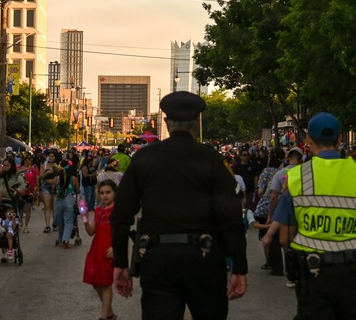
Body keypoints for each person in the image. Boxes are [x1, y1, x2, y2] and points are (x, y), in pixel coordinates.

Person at [111, 91, 246, 320]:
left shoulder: (144, 159)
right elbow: (231, 217)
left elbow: (121, 216)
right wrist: (239, 268)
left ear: (166, 122)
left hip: (158, 260)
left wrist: (121, 263)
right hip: (205, 260)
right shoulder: (212, 159)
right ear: (196, 123)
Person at [275, 112, 356, 320]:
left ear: (308, 140)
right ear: (340, 140)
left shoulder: (297, 177)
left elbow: (285, 238)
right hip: (352, 272)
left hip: (313, 272)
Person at [85, 179, 118, 320]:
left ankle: (104, 317)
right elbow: (91, 231)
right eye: (102, 193)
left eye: (108, 192)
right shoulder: (98, 211)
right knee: (95, 282)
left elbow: (121, 231)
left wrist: (116, 248)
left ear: (115, 193)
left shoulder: (118, 210)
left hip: (109, 250)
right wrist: (85, 219)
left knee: (106, 284)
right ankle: (109, 314)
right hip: (96, 249)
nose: (105, 196)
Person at [53, 152, 80, 248]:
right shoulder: (74, 178)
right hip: (69, 199)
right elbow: (78, 191)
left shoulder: (57, 178)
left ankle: (60, 240)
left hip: (58, 200)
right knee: (68, 221)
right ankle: (66, 240)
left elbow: (53, 189)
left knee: (60, 223)